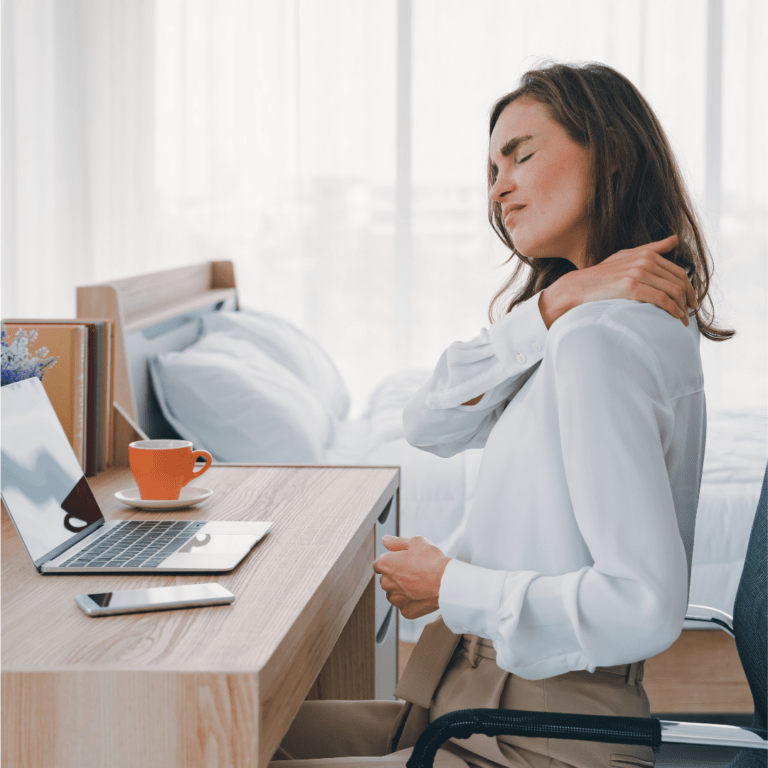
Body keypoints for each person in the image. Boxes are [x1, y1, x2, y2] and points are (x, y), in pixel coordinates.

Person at [271, 62, 733, 768]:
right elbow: (430, 422)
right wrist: (556, 300)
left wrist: (450, 584)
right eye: (492, 168)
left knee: (206, 740)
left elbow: (644, 604)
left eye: (521, 154)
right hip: (469, 702)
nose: (499, 188)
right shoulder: (575, 324)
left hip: (537, 738)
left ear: (609, 152)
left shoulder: (600, 340)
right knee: (221, 733)